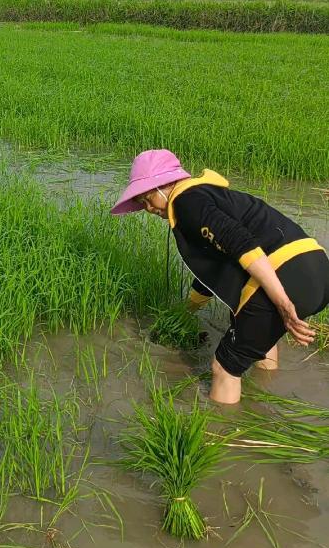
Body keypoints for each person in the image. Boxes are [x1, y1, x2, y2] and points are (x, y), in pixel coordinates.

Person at [112, 149, 329, 404]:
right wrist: (186, 311)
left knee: (224, 367)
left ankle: (223, 433)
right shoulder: (208, 195)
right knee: (246, 320)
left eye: (147, 197)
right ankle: (267, 388)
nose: (148, 208)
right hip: (317, 268)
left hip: (284, 275)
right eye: (140, 203)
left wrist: (282, 301)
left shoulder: (186, 203)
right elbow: (216, 266)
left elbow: (240, 244)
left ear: (166, 184)